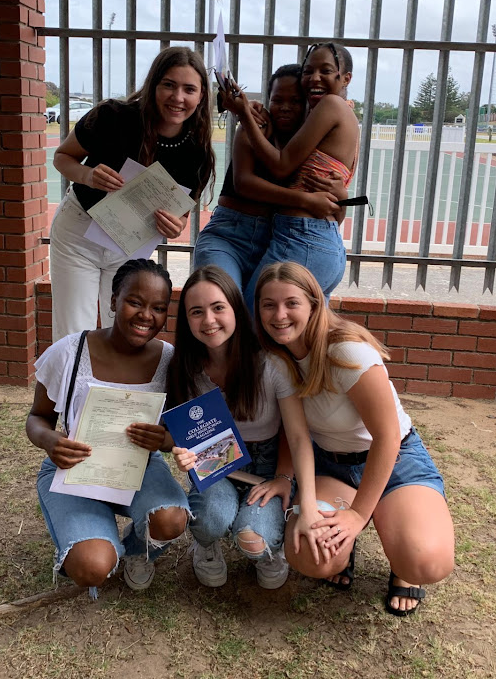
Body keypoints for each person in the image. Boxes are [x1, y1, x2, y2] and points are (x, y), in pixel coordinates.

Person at [254, 262, 455, 616]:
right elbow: (297, 435)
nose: (279, 314)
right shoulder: (277, 358)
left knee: (425, 562)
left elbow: (388, 436)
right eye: (268, 304)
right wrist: (300, 496)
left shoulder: (345, 351)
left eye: (291, 303)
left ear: (315, 305)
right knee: (310, 555)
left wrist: (359, 514)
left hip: (393, 461)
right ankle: (347, 545)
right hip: (332, 464)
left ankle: (401, 562)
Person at [26, 259, 190, 596]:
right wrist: (49, 441)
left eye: (159, 308)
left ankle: (134, 552)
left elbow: (181, 432)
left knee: (172, 519)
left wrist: (164, 439)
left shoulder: (171, 361)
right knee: (92, 566)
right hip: (75, 471)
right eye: (135, 302)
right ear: (113, 301)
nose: (147, 315)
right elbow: (37, 418)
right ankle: (96, 538)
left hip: (138, 468)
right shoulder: (70, 352)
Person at [167, 265, 325, 589]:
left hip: (268, 465)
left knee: (252, 539)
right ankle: (206, 544)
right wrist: (180, 451)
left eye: (218, 308)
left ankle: (270, 548)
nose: (209, 321)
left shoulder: (271, 364)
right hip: (216, 464)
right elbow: (179, 431)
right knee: (210, 519)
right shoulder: (185, 367)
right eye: (197, 312)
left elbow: (295, 433)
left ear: (236, 309)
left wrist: (284, 478)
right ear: (186, 319)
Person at [49, 46, 215, 342]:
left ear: (201, 96)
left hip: (129, 246)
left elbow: (180, 217)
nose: (178, 97)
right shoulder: (112, 117)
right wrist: (88, 175)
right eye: (169, 85)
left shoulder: (197, 153)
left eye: (189, 89)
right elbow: (62, 157)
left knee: (120, 337)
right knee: (73, 336)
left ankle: (108, 391)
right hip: (78, 236)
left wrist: (175, 226)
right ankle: (69, 389)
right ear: (153, 86)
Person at [221, 43, 360, 305]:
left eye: (326, 70)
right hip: (323, 242)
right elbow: (333, 206)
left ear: (345, 78)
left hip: (302, 238)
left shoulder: (330, 105)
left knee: (253, 324)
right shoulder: (342, 112)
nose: (314, 78)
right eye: (308, 71)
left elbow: (281, 166)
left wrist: (243, 115)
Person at [193, 64, 341, 295]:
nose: (285, 107)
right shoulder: (256, 126)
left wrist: (341, 195)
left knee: (265, 320)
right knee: (220, 301)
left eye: (295, 101)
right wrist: (305, 201)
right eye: (277, 99)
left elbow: (331, 206)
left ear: (309, 105)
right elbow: (244, 183)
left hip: (275, 243)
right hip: (229, 235)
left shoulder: (312, 146)